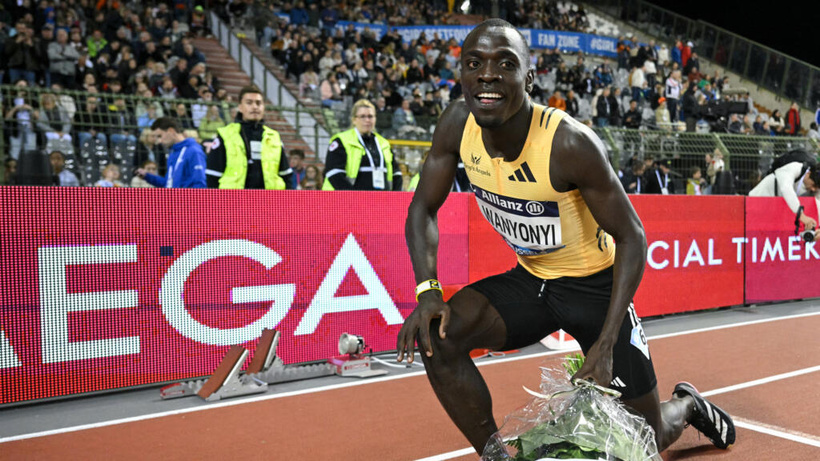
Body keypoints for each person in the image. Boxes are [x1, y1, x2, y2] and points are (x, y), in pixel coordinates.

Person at [397, 19, 735, 456]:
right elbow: (422, 208)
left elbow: (632, 236)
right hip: (532, 281)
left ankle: (686, 406)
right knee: (438, 334)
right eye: (474, 63)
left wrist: (607, 341)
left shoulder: (569, 144)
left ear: (529, 78)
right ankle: (495, 455)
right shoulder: (456, 125)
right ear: (461, 74)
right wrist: (428, 291)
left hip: (594, 289)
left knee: (647, 439)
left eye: (505, 64)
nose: (487, 75)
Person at [206, 85, 293, 189]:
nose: (255, 107)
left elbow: (286, 176)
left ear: (263, 107)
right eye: (249, 103)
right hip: (234, 202)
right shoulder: (225, 136)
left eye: (258, 103)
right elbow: (212, 176)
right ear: (240, 107)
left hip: (269, 202)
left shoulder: (274, 137)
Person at [322, 99, 402, 191]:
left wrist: (395, 197)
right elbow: (334, 173)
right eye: (362, 116)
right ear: (354, 120)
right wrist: (353, 199)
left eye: (370, 116)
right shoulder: (341, 141)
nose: (367, 120)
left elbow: (396, 173)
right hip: (349, 202)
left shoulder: (384, 143)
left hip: (381, 201)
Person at [749, 149, 820, 238]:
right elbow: (786, 189)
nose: (813, 189)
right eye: (813, 185)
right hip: (757, 203)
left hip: (774, 212)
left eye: (816, 188)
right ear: (809, 173)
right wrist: (802, 216)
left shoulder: (812, 184)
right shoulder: (792, 168)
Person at [135, 117, 206, 188]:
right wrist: (148, 176)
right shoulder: (173, 153)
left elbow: (199, 184)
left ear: (171, 131)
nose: (159, 141)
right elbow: (168, 183)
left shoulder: (193, 151)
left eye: (160, 136)